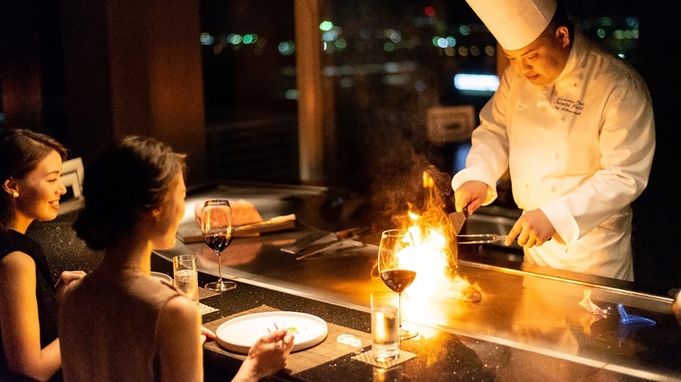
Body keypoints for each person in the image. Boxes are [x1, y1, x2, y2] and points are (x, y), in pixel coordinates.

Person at [58, 136, 294, 382]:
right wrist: (254, 368)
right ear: (155, 207)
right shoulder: (173, 310)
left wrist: (179, 340)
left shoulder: (72, 296)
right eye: (181, 196)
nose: (183, 209)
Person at [452, 0, 655, 281]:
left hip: (594, 254)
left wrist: (555, 216)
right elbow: (495, 130)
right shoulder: (516, 78)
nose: (523, 69)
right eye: (512, 58)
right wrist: (479, 174)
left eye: (531, 56)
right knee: (536, 323)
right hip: (534, 250)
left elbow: (624, 175)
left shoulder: (617, 85)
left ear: (562, 36)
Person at [0, 128, 86, 381]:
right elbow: (30, 370)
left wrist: (51, 300)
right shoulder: (16, 259)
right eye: (51, 179)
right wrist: (82, 321)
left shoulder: (13, 245)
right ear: (11, 185)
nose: (61, 188)